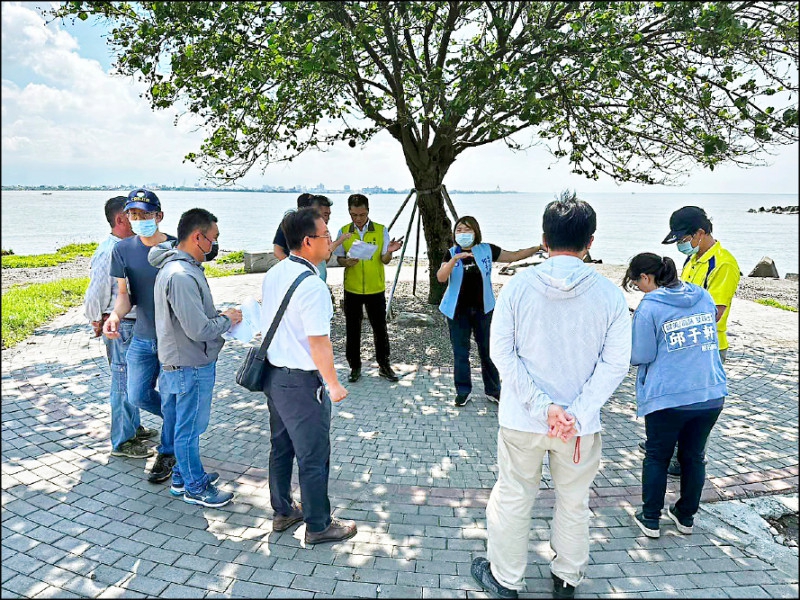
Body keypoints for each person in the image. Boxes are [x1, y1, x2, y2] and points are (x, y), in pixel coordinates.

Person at [472, 192, 632, 600]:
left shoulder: (518, 287)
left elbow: (500, 354)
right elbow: (614, 365)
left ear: (544, 240)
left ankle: (506, 578)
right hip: (578, 428)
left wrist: (544, 408)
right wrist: (573, 413)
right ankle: (567, 577)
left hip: (523, 421)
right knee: (574, 502)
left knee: (512, 496)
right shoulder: (611, 295)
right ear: (590, 241)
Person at [260, 207, 357, 544]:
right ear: (307, 241)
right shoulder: (313, 285)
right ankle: (318, 525)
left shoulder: (275, 273)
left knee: (281, 447)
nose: (331, 240)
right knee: (313, 455)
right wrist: (332, 383)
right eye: (325, 235)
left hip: (275, 376)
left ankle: (283, 510)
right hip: (303, 382)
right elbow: (318, 342)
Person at [624, 252, 727, 538]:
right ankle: (686, 517)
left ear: (646, 278)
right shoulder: (703, 296)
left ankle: (651, 518)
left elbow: (641, 355)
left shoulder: (650, 308)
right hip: (710, 393)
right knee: (694, 457)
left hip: (668, 397)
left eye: (636, 283)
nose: (639, 289)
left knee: (657, 456)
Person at [149, 208, 243, 508]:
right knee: (189, 430)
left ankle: (182, 477)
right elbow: (199, 328)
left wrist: (219, 317)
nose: (215, 245)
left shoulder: (180, 269)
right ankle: (195, 487)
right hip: (189, 365)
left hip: (183, 362)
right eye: (213, 239)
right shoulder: (181, 275)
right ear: (197, 237)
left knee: (183, 426)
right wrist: (226, 320)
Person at [658, 206, 740, 476]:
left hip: (709, 347)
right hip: (687, 342)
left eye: (684, 239)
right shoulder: (692, 260)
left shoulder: (723, 263)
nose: (682, 244)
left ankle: (690, 462)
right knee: (681, 402)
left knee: (701, 407)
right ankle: (676, 456)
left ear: (700, 233)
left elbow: (715, 312)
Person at [104, 189, 178, 484]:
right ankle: (181, 422)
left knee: (172, 397)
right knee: (136, 394)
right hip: (144, 336)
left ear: (158, 216)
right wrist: (114, 316)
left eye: (145, 214)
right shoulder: (122, 250)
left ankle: (168, 451)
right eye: (133, 214)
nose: (139, 219)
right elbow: (125, 297)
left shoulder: (176, 247)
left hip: (175, 339)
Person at [437, 215, 544, 407]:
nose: (462, 233)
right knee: (461, 352)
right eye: (459, 230)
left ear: (476, 232)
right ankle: (463, 391)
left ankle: (493, 390)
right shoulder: (451, 252)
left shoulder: (486, 249)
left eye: (467, 230)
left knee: (488, 350)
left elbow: (513, 256)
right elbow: (441, 277)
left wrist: (537, 248)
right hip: (457, 311)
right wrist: (454, 259)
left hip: (483, 309)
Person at [84, 196, 155, 459]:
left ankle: (133, 427)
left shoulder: (127, 248)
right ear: (120, 219)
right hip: (120, 325)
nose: (140, 219)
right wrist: (96, 318)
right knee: (123, 380)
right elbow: (97, 292)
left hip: (133, 323)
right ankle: (123, 440)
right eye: (133, 215)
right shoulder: (109, 250)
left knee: (133, 380)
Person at [333, 193, 403, 383]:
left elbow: (384, 260)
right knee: (352, 329)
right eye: (354, 215)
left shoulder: (381, 230)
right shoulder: (344, 231)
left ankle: (384, 365)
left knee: (380, 329)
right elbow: (338, 258)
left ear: (368, 211)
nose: (358, 219)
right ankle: (355, 367)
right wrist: (346, 262)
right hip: (352, 289)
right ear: (349, 212)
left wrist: (389, 251)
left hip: (375, 288)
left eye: (362, 214)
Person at [273, 194, 350, 281]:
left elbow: (325, 258)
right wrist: (295, 270)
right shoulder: (290, 225)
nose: (328, 218)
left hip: (319, 279)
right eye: (325, 214)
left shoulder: (323, 231)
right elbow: (278, 250)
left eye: (329, 214)